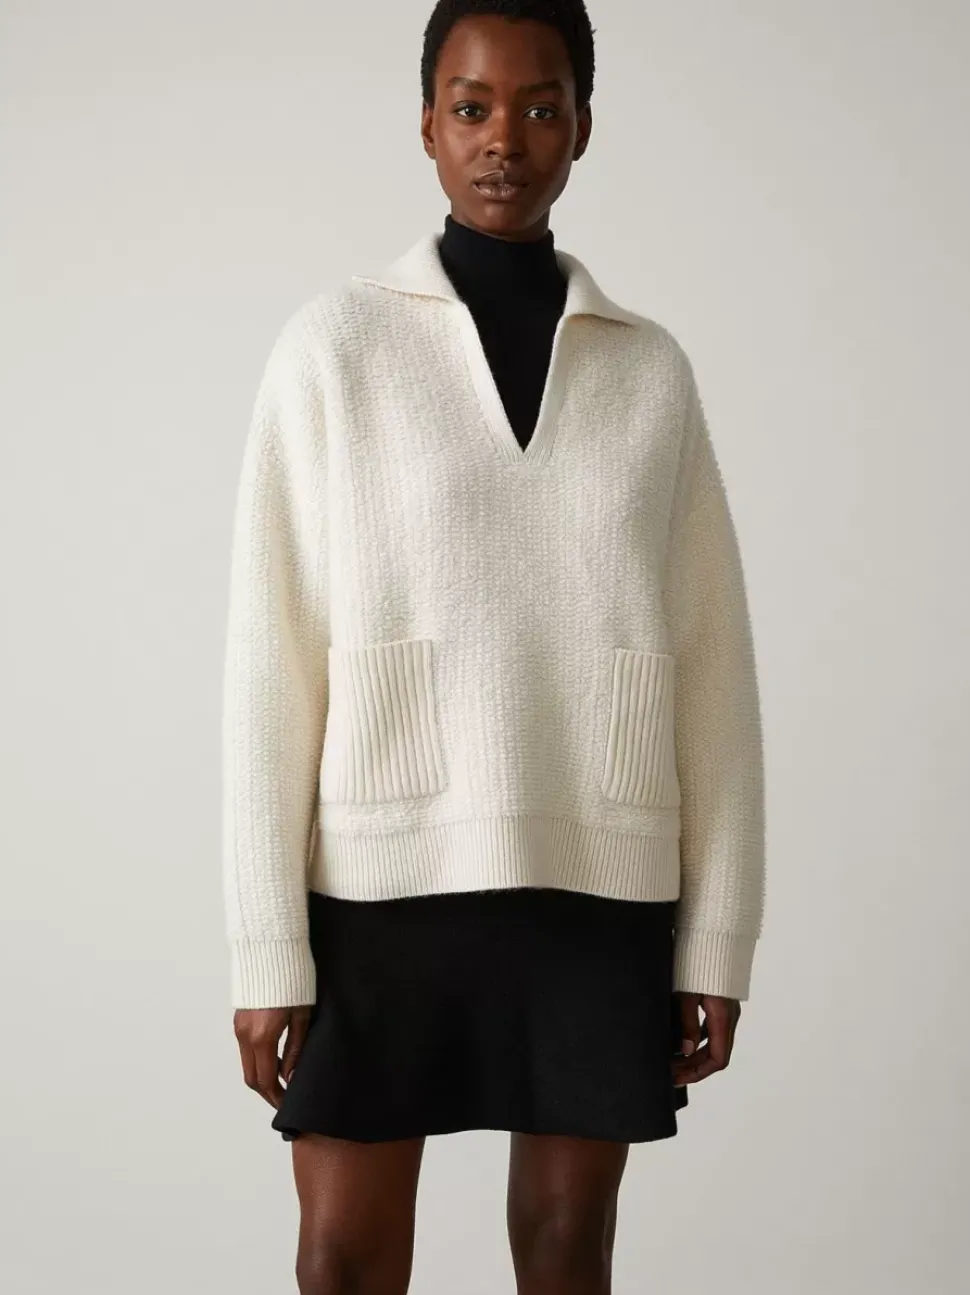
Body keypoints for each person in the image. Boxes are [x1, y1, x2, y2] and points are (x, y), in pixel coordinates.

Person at [221, 2, 766, 1291]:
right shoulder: (335, 349)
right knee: (343, 1260)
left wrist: (717, 936)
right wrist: (265, 944)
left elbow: (713, 672)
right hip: (378, 884)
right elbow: (269, 665)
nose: (504, 140)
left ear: (584, 126)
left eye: (539, 107)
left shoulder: (650, 372)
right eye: (471, 107)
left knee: (570, 1252)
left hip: (598, 878)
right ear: (427, 125)